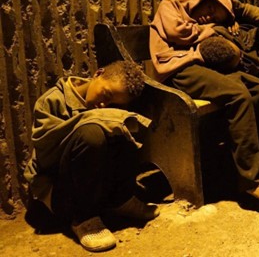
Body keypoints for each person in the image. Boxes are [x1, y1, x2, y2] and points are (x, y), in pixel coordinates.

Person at [149, 0, 259, 204]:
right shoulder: (171, 5)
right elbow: (177, 32)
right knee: (237, 95)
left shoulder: (206, 26)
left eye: (215, 17)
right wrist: (212, 29)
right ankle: (251, 180)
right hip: (178, 69)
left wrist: (219, 28)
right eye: (210, 9)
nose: (209, 17)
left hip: (205, 66)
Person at [24, 61, 159, 252]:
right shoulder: (52, 101)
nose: (103, 104)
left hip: (98, 189)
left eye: (112, 103)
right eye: (106, 95)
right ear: (98, 73)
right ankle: (84, 218)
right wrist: (101, 118)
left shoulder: (104, 107)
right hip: (62, 195)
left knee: (122, 125)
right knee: (93, 133)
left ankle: (120, 200)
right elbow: (47, 158)